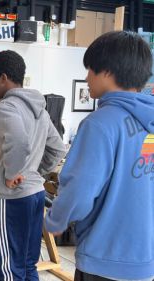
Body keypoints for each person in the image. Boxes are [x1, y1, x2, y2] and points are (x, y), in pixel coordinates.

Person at [45, 31, 154, 281]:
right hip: (144, 261)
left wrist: (56, 219)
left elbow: (80, 189)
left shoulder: (100, 124)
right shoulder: (148, 123)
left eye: (90, 70)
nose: (86, 78)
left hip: (104, 259)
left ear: (106, 71)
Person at [0, 50, 66, 280]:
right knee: (28, 264)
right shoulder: (39, 108)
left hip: (11, 197)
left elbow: (19, 141)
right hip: (36, 193)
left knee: (11, 268)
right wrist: (35, 172)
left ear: (3, 77)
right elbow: (58, 148)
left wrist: (13, 173)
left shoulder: (5, 107)